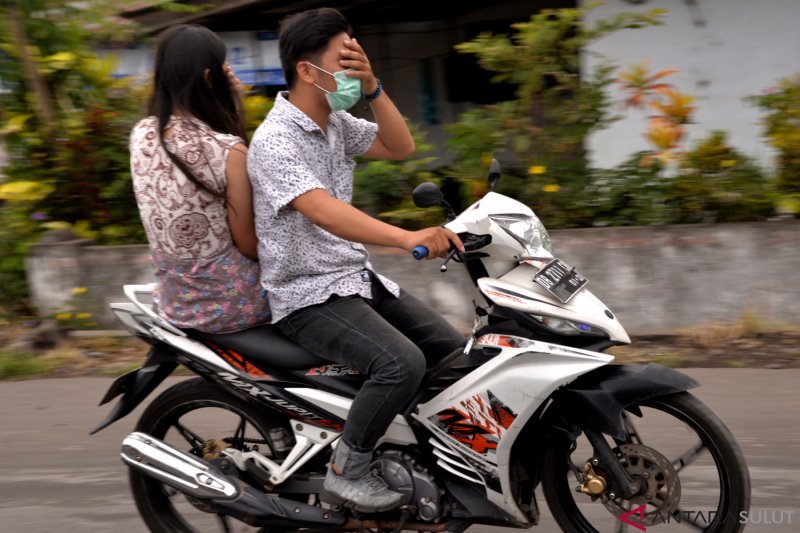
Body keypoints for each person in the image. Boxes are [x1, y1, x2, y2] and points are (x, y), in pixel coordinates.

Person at [247, 8, 465, 512]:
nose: (353, 71)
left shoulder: (335, 124)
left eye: (357, 59)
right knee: (399, 363)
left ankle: (420, 458)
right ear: (307, 71)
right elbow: (323, 211)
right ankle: (349, 470)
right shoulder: (274, 140)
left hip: (353, 280)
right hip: (305, 293)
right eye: (344, 63)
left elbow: (400, 145)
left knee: (453, 354)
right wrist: (405, 236)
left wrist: (372, 87)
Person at [130, 24, 271, 333]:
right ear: (210, 78)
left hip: (174, 299)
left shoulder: (141, 134)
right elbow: (248, 244)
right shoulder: (228, 150)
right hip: (231, 302)